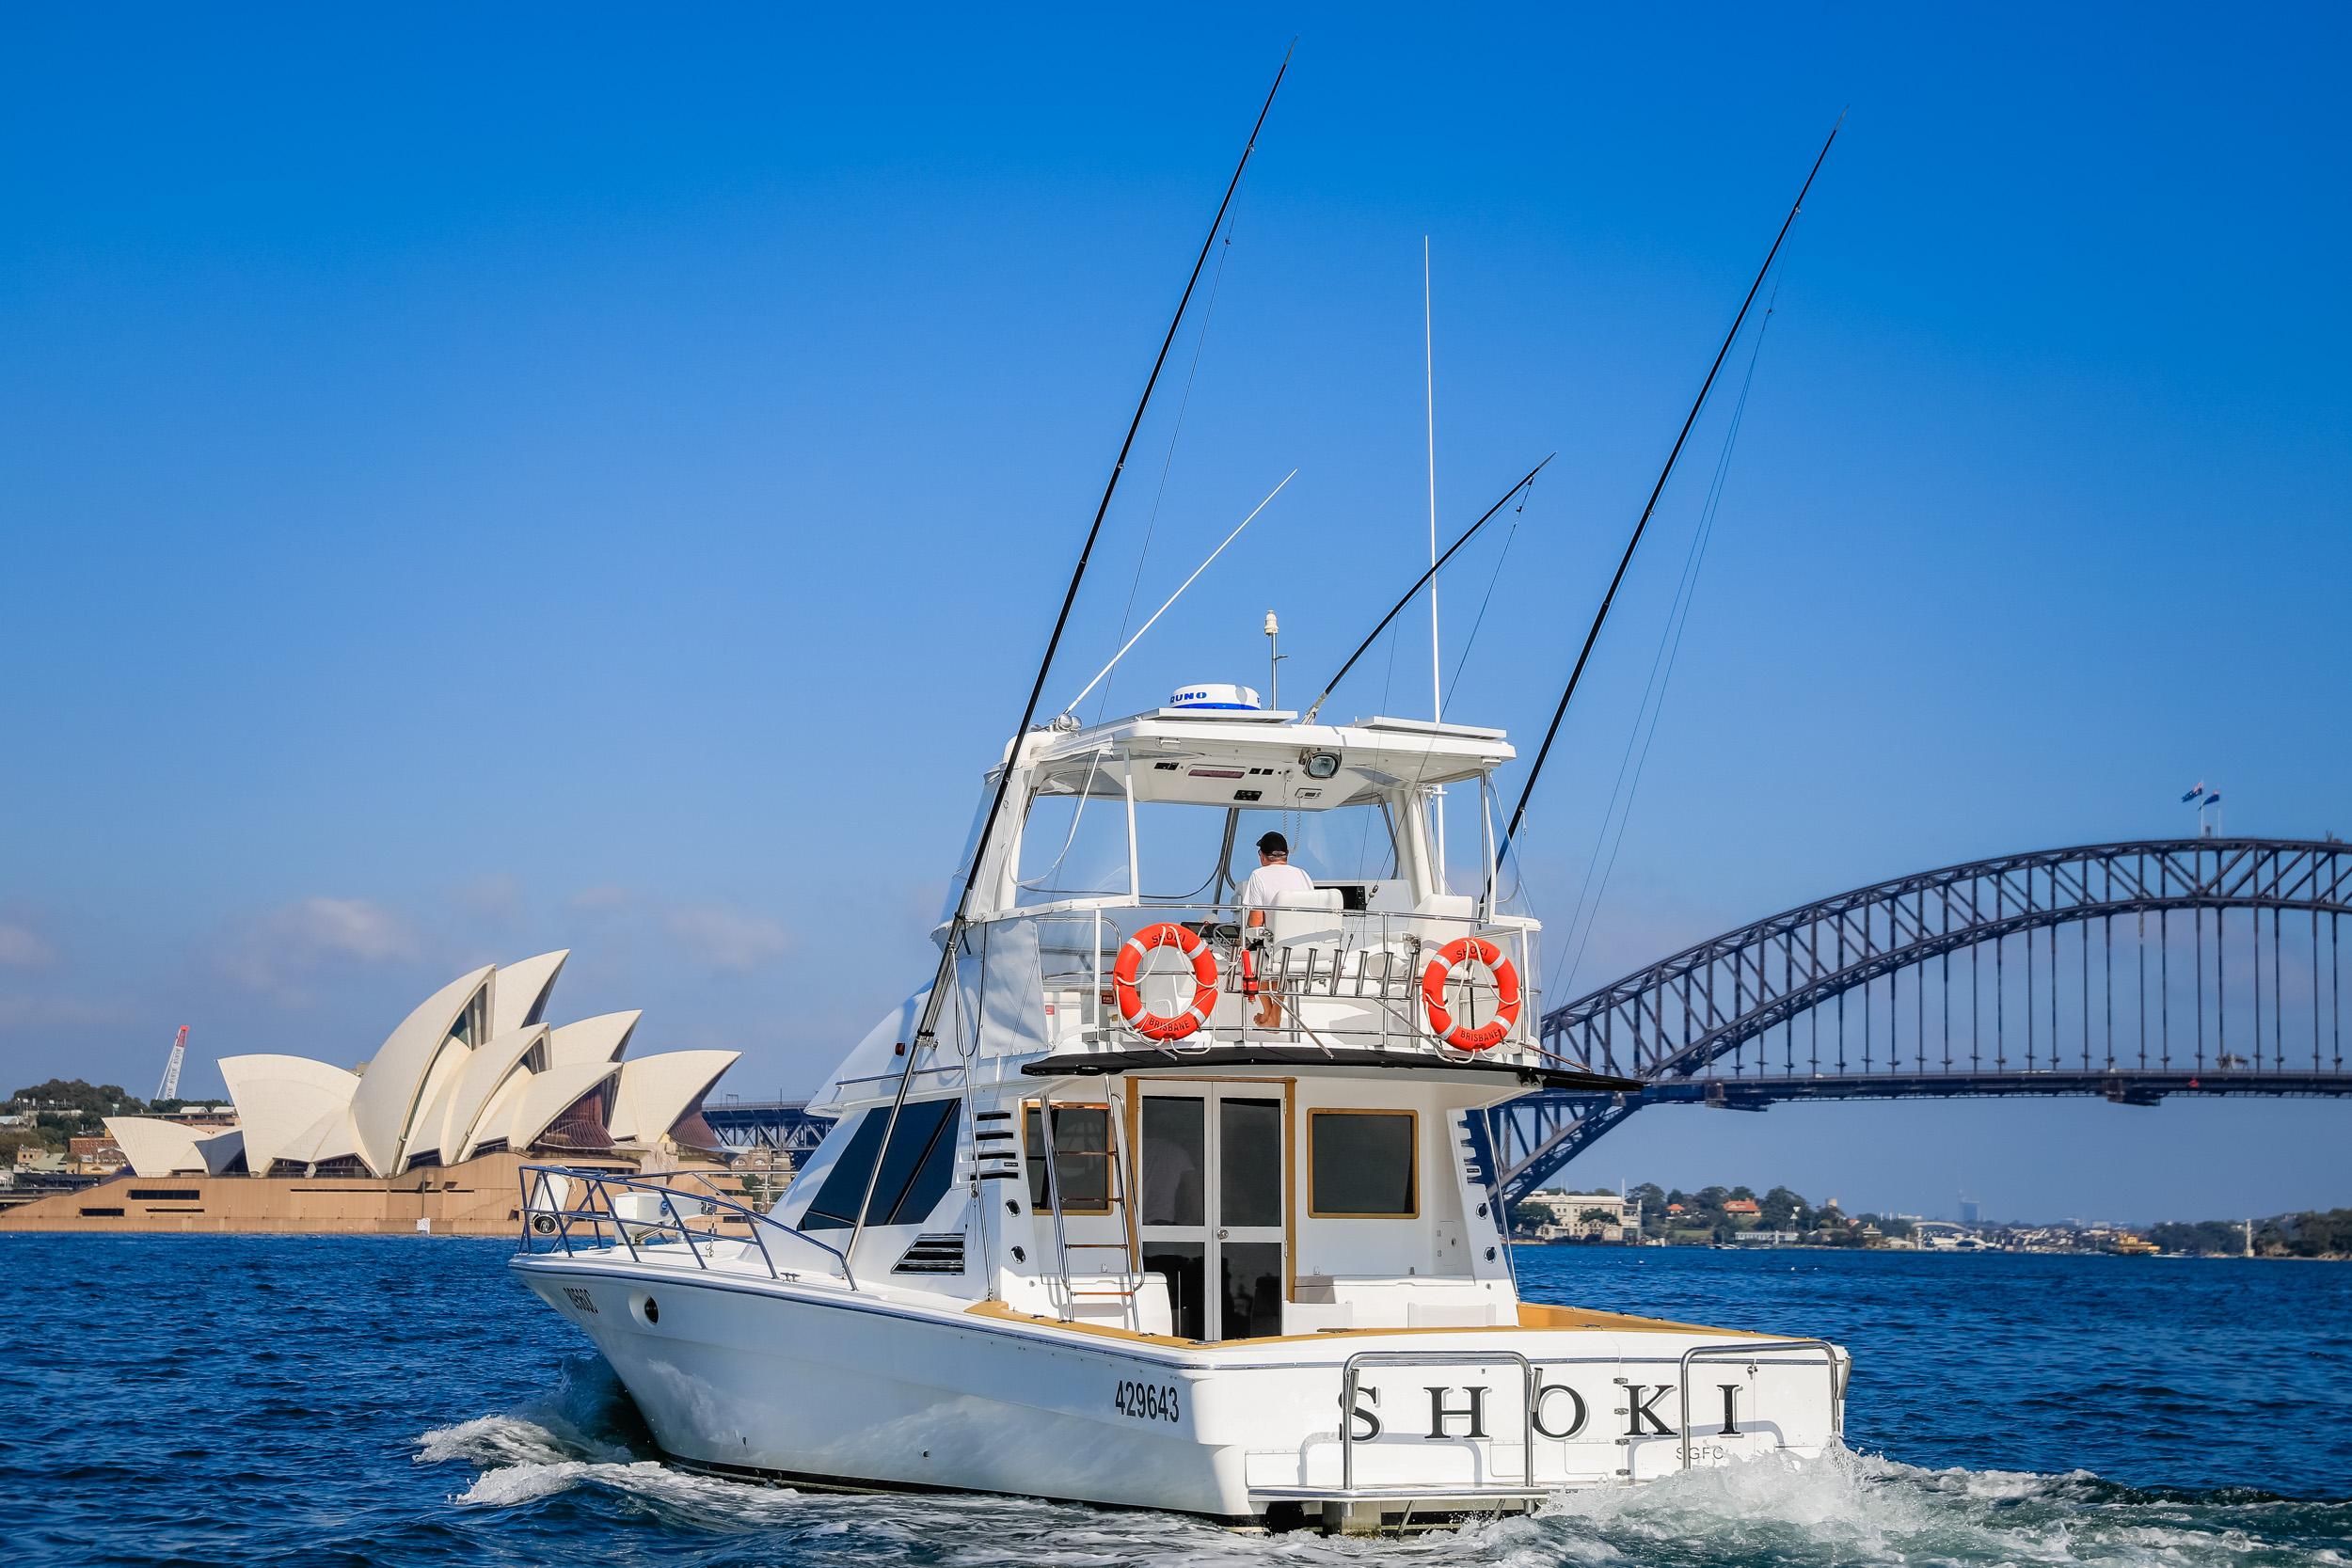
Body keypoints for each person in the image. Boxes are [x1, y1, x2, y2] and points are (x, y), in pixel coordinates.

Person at [1239, 831, 1313, 932]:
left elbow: (1256, 922)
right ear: (1286, 854)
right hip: (1306, 939)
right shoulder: (1303, 874)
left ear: (1262, 855)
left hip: (1276, 942)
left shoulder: (1258, 875)